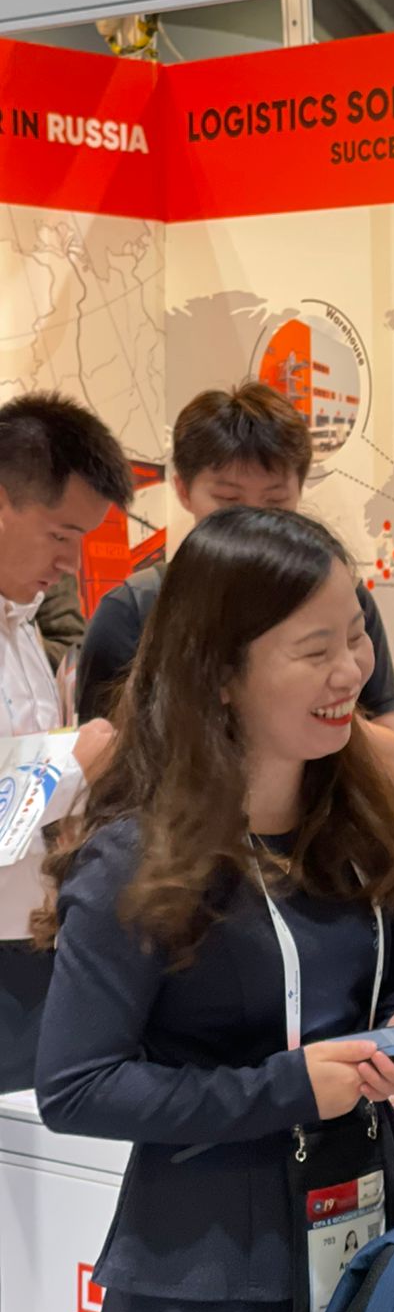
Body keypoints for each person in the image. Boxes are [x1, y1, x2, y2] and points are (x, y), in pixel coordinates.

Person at [35, 507, 394, 1312]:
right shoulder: (139, 859)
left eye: (356, 635)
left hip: (363, 1252)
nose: (351, 671)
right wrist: (286, 1087)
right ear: (220, 672)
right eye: (314, 650)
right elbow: (76, 1086)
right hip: (208, 1291)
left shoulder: (361, 816)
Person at [77, 381, 394, 780]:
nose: (254, 522)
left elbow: (392, 759)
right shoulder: (132, 610)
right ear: (183, 490)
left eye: (275, 503)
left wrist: (315, 707)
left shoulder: (340, 600)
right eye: (229, 502)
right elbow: (100, 767)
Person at [0, 391, 133, 1092]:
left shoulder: (21, 628)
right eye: (60, 535)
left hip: (30, 946)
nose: (72, 562)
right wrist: (71, 764)